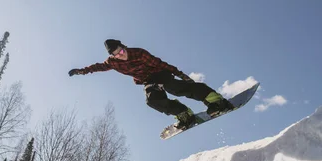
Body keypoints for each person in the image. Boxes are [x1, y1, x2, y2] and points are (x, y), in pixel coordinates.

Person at [68, 39, 234, 129]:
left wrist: (180, 74)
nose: (121, 55)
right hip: (148, 81)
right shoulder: (113, 63)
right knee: (152, 100)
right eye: (116, 55)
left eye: (122, 51)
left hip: (160, 73)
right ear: (112, 56)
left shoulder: (139, 53)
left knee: (174, 88)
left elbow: (160, 63)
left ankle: (216, 100)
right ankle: (184, 114)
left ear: (124, 46)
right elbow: (98, 67)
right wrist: (81, 71)